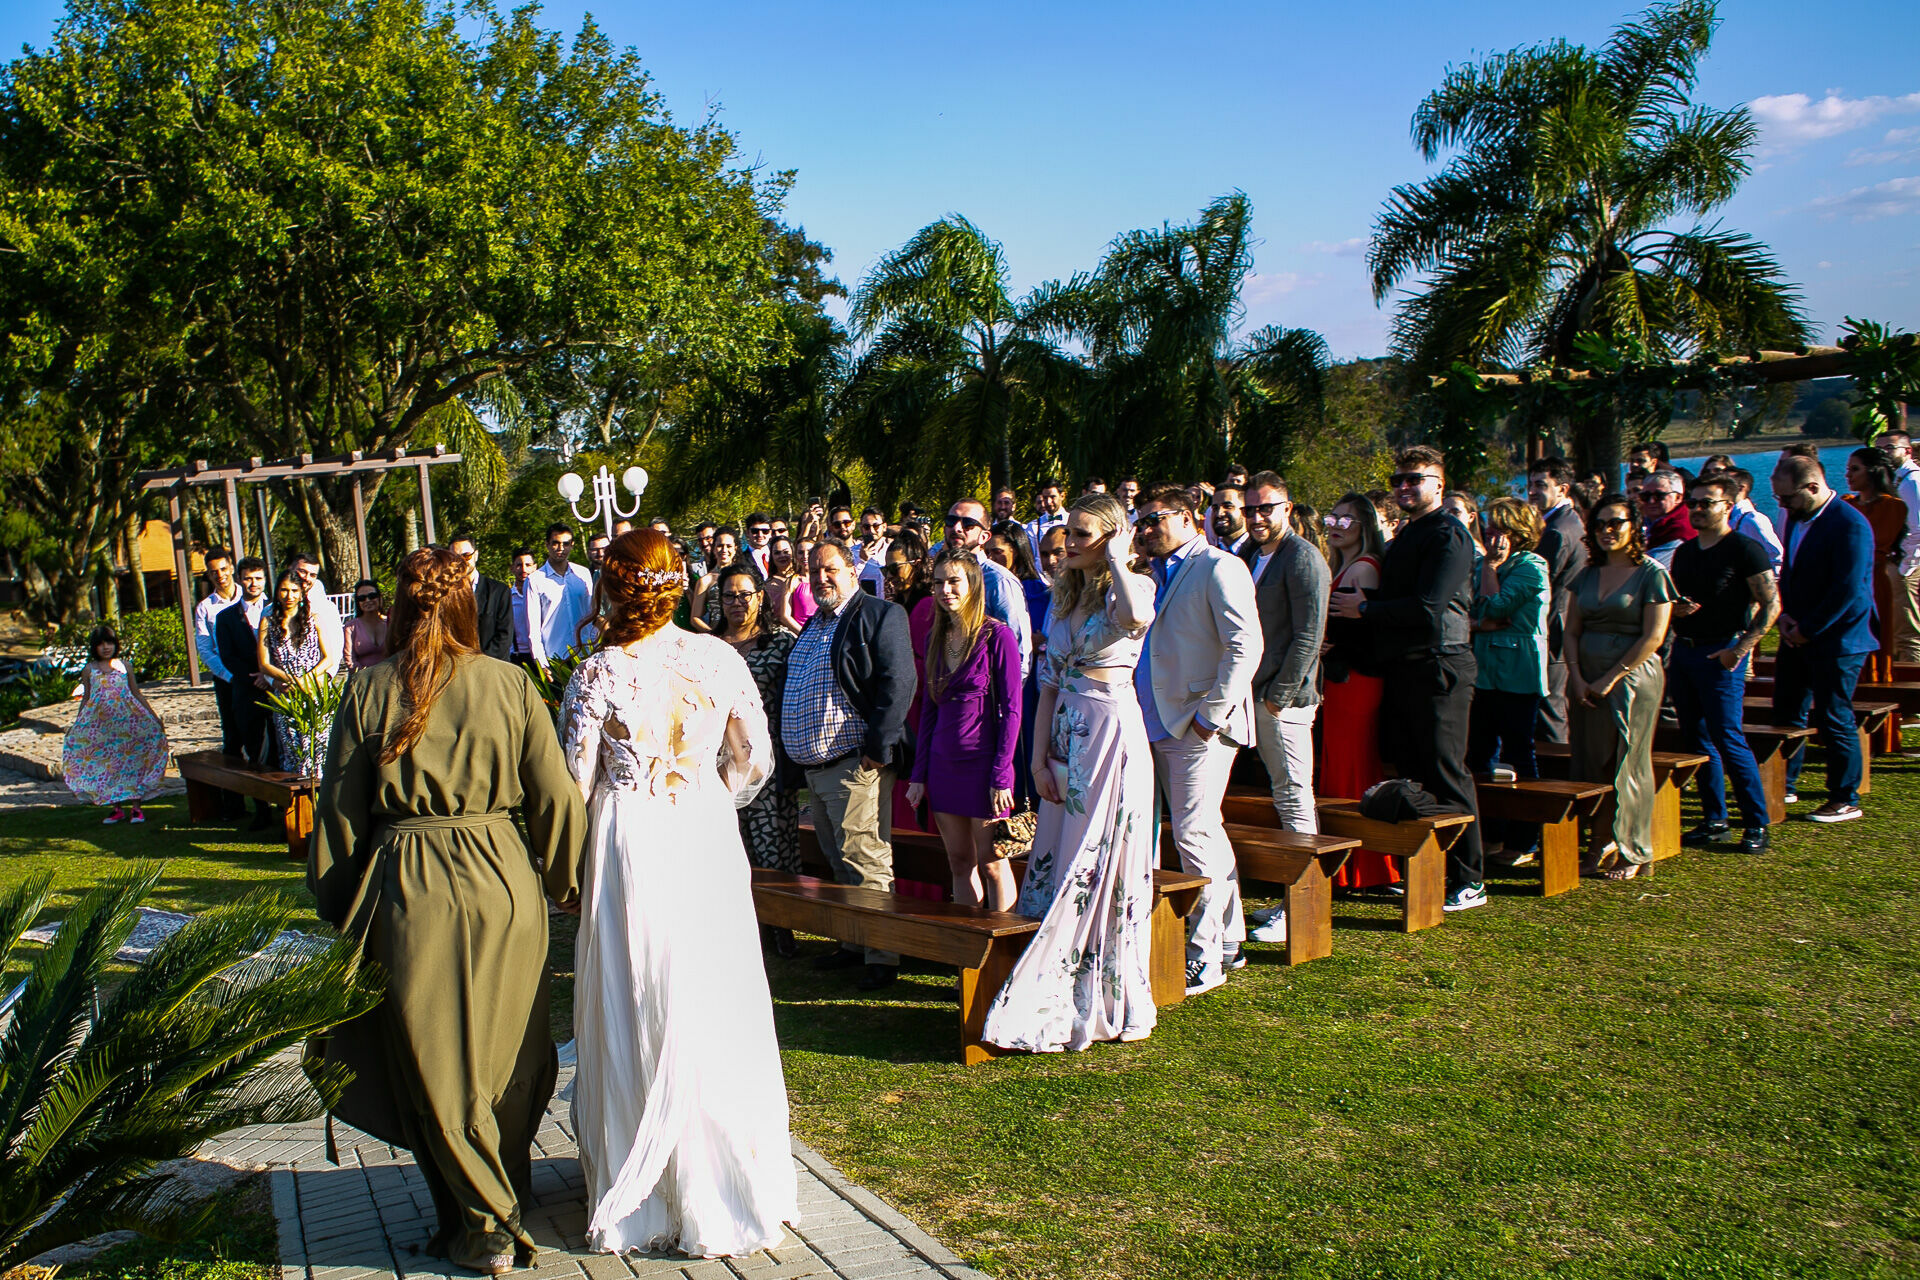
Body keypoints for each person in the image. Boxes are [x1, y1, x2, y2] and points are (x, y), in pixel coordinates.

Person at [309, 547, 587, 1275]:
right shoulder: (510, 683)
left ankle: (485, 1224)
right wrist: (565, 880)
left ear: (401, 607)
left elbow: (339, 813)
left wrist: (339, 901)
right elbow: (555, 795)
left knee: (434, 1061)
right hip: (503, 883)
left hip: (411, 886)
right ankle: (496, 1203)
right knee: (511, 1054)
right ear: (468, 605)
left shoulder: (370, 689)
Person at [558, 532, 796, 1258]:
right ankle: (725, 1181)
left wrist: (598, 829)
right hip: (701, 830)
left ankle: (651, 1191)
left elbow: (574, 780)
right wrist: (707, 795)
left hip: (627, 840)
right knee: (711, 990)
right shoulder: (719, 658)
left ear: (613, 589)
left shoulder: (598, 672)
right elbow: (753, 756)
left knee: (638, 992)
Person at [984, 494, 1158, 1052]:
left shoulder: (1135, 587)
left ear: (1112, 537)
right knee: (1060, 854)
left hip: (1111, 736)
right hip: (1063, 734)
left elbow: (1135, 619)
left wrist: (1118, 560)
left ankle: (1106, 995)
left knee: (1101, 858)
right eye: (1070, 533)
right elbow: (1048, 685)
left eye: (1084, 534)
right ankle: (1058, 979)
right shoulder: (1063, 598)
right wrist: (1037, 761)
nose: (1070, 544)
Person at [1331, 448, 1486, 907]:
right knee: (1415, 774)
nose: (1404, 487)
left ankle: (1469, 878)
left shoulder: (1448, 534)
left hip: (1440, 664)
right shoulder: (1406, 536)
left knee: (1446, 772)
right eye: (1398, 480)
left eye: (1414, 479)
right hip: (1404, 667)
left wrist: (1364, 608)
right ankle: (1430, 871)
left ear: (1439, 484)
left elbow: (1429, 607)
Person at [1132, 484, 1261, 994]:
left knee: (1192, 835)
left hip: (1199, 724)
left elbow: (1245, 645)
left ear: (1188, 517)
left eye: (1155, 519)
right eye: (1141, 521)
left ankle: (1203, 955)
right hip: (1157, 720)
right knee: (1204, 831)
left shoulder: (1219, 566)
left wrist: (1211, 715)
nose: (1146, 529)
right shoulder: (1153, 572)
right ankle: (1229, 939)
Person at [782, 539, 917, 990]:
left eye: (830, 569)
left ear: (853, 570)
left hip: (856, 764)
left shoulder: (879, 614)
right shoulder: (813, 623)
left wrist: (877, 749)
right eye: (814, 570)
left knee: (864, 859)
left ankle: (883, 955)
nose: (821, 577)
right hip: (817, 769)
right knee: (837, 861)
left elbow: (899, 682)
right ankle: (854, 943)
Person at [1566, 496, 1677, 877]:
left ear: (1634, 526)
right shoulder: (1587, 574)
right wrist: (1577, 677)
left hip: (1632, 677)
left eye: (1615, 523)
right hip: (1585, 678)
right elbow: (1571, 630)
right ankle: (1598, 842)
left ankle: (1634, 847)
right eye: (1599, 525)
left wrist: (1610, 677)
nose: (1607, 531)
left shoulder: (1651, 574)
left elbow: (1654, 636)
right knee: (1591, 761)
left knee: (1627, 761)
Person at [905, 551, 1023, 910]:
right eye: (938, 582)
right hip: (943, 765)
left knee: (993, 863)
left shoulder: (997, 636)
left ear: (973, 584)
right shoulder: (935, 638)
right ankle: (968, 941)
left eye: (954, 581)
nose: (945, 590)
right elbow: (929, 710)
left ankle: (1004, 941)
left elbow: (1013, 710)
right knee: (958, 861)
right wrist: (919, 775)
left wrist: (1002, 773)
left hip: (984, 765)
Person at [1668, 475, 1779, 853]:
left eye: (1706, 503)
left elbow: (1771, 604)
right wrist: (1676, 610)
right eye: (1692, 503)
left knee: (1728, 738)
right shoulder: (1685, 552)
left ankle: (1756, 823)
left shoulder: (1745, 549)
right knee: (1697, 739)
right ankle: (1714, 819)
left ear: (1728, 506)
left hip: (1721, 653)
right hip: (1685, 652)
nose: (1697, 509)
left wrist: (1740, 648)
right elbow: (1675, 599)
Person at [1771, 454, 1878, 822]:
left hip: (1839, 639)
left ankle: (1844, 797)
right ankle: (1785, 783)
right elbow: (1791, 571)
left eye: (1788, 498)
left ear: (1813, 487)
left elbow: (1848, 589)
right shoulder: (1797, 517)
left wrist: (1808, 629)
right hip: (1797, 631)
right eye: (1779, 498)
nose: (1783, 505)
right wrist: (1786, 615)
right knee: (1787, 711)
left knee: (1834, 715)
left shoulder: (1849, 524)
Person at [711, 563, 801, 956]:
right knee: (731, 845)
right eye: (729, 595)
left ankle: (782, 927)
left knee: (772, 845)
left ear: (760, 597)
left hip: (768, 764)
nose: (737, 602)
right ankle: (741, 927)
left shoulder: (780, 642)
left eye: (745, 595)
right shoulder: (708, 647)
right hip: (718, 768)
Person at [1239, 471, 1327, 835]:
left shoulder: (1302, 558)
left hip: (1282, 700)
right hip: (1251, 692)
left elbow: (1309, 636)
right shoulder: (1247, 554)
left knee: (1292, 792)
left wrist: (1279, 698)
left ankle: (1306, 872)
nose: (1257, 517)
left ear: (1287, 508)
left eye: (1266, 508)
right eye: (1250, 510)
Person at [1318, 495, 1396, 891]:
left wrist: (1326, 647)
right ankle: (1350, 866)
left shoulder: (1364, 568)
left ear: (1365, 525)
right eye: (1333, 518)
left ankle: (1368, 867)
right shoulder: (1344, 566)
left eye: (1346, 519)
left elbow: (1362, 634)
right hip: (1341, 681)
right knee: (1340, 766)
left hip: (1355, 681)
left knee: (1353, 768)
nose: (1336, 525)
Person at [1466, 498, 1551, 860]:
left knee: (1519, 754)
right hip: (1484, 671)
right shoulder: (1482, 565)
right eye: (1489, 527)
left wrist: (1490, 568)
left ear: (1518, 532)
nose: (1491, 534)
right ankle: (1489, 834)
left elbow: (1496, 606)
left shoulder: (1532, 567)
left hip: (1518, 672)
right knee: (1479, 754)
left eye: (1499, 528)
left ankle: (1525, 839)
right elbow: (1473, 609)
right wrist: (1480, 623)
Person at [62, 625, 169, 822]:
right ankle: (116, 807)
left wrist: (153, 717)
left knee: (133, 762)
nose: (106, 647)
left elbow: (136, 693)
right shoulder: (89, 670)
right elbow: (86, 698)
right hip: (103, 728)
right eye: (101, 644)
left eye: (109, 643)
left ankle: (136, 808)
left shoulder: (124, 666)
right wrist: (78, 723)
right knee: (109, 765)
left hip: (129, 723)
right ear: (94, 647)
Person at [258, 566, 341, 778]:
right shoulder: (268, 622)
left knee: (319, 750)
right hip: (287, 695)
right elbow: (264, 664)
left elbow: (328, 658)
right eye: (284, 590)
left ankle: (321, 794)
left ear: (302, 593)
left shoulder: (315, 619)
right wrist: (291, 681)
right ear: (277, 592)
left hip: (314, 693)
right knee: (293, 751)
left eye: (294, 591)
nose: (289, 596)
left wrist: (306, 680)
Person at [1529, 457, 1589, 744]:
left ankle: (1557, 767)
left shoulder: (1557, 530)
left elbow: (1541, 584)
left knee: (1549, 710)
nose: (1532, 491)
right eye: (1530, 485)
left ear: (1562, 489)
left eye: (1541, 485)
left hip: (1554, 629)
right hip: (1559, 626)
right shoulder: (1565, 522)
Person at [215, 558, 277, 823]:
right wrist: (255, 678)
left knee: (279, 749)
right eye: (249, 578)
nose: (254, 583)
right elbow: (227, 657)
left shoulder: (279, 610)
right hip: (247, 692)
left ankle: (286, 809)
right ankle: (262, 810)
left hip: (277, 689)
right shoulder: (225, 618)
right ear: (239, 579)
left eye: (259, 578)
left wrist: (269, 676)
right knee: (254, 751)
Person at [943, 499, 1034, 678]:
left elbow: (1019, 646)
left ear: (984, 537)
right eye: (951, 521)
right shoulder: (942, 575)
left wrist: (1010, 690)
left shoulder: (999, 580)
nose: (957, 528)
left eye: (968, 524)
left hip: (987, 686)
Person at [1842, 446, 1909, 682]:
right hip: (1846, 581)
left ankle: (1876, 682)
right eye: (1848, 469)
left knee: (1876, 635)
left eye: (1855, 469)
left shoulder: (1893, 507)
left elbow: (1877, 542)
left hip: (1874, 581)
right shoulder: (1846, 504)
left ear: (1873, 471)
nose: (1848, 475)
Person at [1883, 429, 1920, 662]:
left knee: (1908, 634)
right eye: (1879, 449)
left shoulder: (1911, 482)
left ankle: (1912, 680)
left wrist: (1905, 567)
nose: (1884, 453)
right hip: (1902, 563)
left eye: (1889, 448)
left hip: (1908, 566)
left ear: (1907, 451)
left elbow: (1917, 530)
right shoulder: (1898, 479)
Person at [536, 524, 595, 663]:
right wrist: (541, 662)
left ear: (572, 545)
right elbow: (533, 628)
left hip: (585, 653)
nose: (561, 548)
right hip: (554, 657)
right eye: (555, 543)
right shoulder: (536, 580)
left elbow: (591, 613)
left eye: (566, 544)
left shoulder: (583, 574)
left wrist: (595, 647)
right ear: (547, 544)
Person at [450, 532, 514, 661]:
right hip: (458, 665)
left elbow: (505, 635)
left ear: (476, 555)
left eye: (466, 556)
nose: (462, 561)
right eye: (455, 557)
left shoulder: (499, 591)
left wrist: (480, 663)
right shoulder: (446, 593)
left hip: (493, 664)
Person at [291, 551, 346, 676]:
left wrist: (326, 677)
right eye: (302, 571)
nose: (307, 578)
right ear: (290, 569)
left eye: (312, 575)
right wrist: (272, 680)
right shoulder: (270, 611)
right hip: (282, 683)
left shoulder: (327, 609)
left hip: (318, 680)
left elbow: (335, 648)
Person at [1725, 468, 1784, 574]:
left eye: (1725, 483)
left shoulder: (1753, 520)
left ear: (1741, 488)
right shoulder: (1728, 517)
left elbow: (1777, 557)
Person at [1637, 469, 1693, 569]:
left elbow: (1652, 568)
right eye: (1645, 496)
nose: (1651, 501)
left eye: (1659, 496)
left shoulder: (1681, 528)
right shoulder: (1641, 522)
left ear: (1678, 497)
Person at [691, 527, 743, 633]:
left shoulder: (745, 576)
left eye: (728, 546)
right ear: (714, 548)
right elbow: (695, 618)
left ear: (735, 548)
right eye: (720, 546)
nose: (724, 550)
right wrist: (713, 635)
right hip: (717, 633)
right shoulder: (705, 581)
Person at [763, 533, 813, 633]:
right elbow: (782, 616)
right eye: (777, 553)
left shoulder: (809, 578)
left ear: (792, 553)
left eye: (786, 552)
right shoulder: (768, 585)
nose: (782, 556)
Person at [508, 548, 544, 673]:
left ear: (535, 567)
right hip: (517, 656)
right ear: (512, 568)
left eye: (528, 565)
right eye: (519, 565)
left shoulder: (543, 595)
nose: (524, 569)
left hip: (543, 654)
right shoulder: (507, 597)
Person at [344, 579, 390, 669]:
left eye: (372, 596)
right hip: (362, 675)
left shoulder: (390, 623)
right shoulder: (351, 627)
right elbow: (350, 659)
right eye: (362, 598)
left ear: (380, 598)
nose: (367, 600)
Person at [1024, 480, 1067, 553]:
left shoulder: (1072, 520)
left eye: (1052, 497)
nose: (1048, 502)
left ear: (1062, 496)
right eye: (1045, 498)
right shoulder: (1033, 527)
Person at [1442, 490, 1486, 556]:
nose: (1449, 517)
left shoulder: (1476, 552)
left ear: (1471, 517)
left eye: (1456, 512)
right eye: (1444, 513)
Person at [1210, 485, 1250, 554]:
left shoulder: (1259, 553)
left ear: (1245, 510)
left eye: (1228, 506)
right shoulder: (1211, 554)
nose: (1219, 514)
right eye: (1215, 508)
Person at [742, 512, 775, 576]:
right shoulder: (741, 560)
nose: (760, 535)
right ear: (747, 533)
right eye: (755, 531)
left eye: (765, 531)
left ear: (770, 533)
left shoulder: (779, 555)